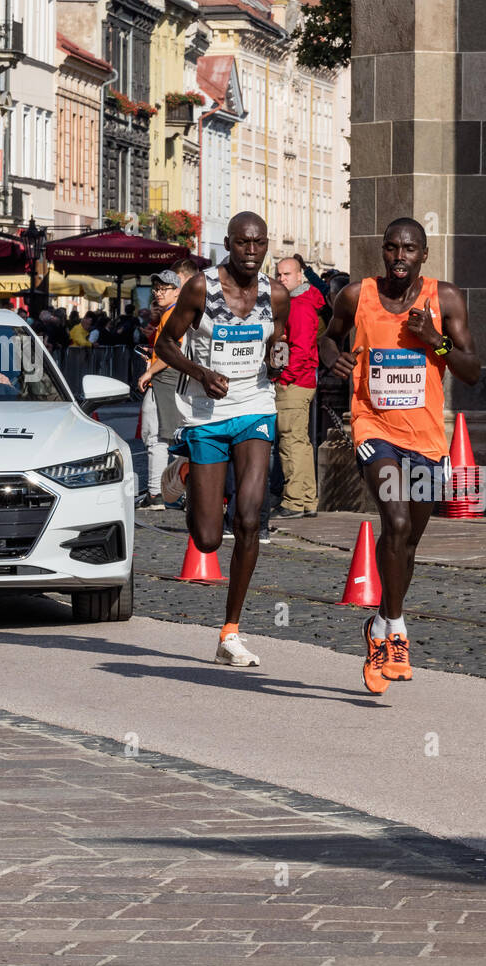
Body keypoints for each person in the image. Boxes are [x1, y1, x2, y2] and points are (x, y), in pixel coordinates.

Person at [319, 217, 480, 693]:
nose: (400, 257)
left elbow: (472, 370)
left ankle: (377, 625)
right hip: (374, 427)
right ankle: (396, 629)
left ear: (423, 255)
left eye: (409, 249)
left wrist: (437, 341)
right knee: (397, 522)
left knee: (406, 543)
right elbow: (329, 336)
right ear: (382, 251)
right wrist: (334, 358)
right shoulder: (356, 295)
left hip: (427, 438)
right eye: (392, 248)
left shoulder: (445, 298)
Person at [154, 212, 290, 667]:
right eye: (243, 244)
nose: (251, 253)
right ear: (228, 244)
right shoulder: (201, 288)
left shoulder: (277, 294)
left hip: (254, 408)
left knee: (250, 518)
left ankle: (230, 630)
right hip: (206, 414)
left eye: (259, 244)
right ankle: (186, 469)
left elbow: (278, 347)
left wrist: (277, 360)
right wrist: (200, 372)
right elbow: (166, 345)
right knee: (209, 538)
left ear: (267, 245)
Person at [270, 256, 325, 519]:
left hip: (295, 382)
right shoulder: (298, 303)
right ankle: (306, 499)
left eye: (287, 274)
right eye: (279, 274)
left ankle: (293, 502)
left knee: (290, 442)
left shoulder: (299, 306)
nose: (282, 279)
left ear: (300, 275)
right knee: (300, 443)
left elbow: (301, 350)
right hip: (300, 380)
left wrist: (284, 378)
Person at [136, 269, 183, 509]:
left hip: (164, 380)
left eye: (164, 289)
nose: (158, 293)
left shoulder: (174, 314)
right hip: (165, 379)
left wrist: (150, 371)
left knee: (157, 436)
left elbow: (171, 350)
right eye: (156, 289)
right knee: (161, 435)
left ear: (177, 291)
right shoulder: (170, 313)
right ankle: (163, 490)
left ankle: (158, 492)